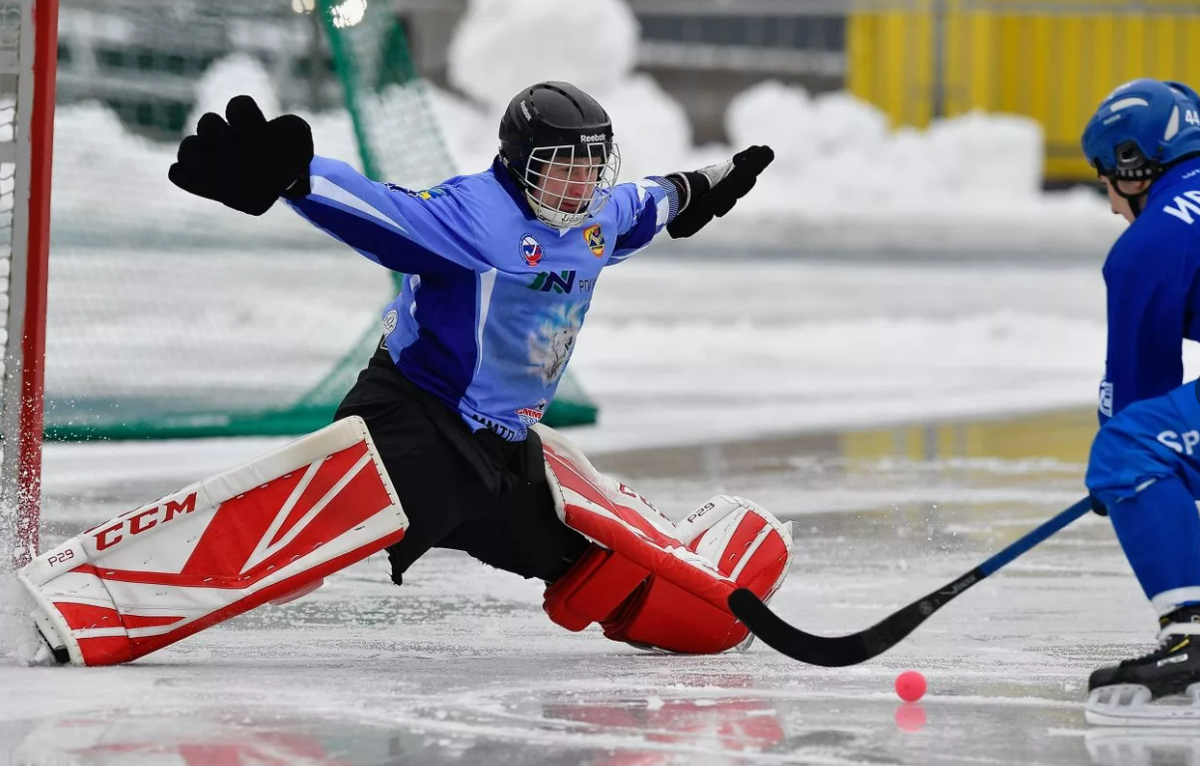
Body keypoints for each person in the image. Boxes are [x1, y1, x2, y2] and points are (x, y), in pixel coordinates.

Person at [18, 80, 791, 666]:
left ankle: (711, 606)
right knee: (288, 542)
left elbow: (655, 202)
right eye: (563, 166)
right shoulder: (475, 218)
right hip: (417, 423)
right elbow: (381, 210)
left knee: (597, 566)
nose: (581, 182)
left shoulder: (596, 218)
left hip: (506, 452)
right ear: (523, 165)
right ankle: (87, 602)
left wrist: (710, 183)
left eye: (594, 163)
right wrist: (294, 178)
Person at [1078, 78, 1200, 724]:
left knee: (1131, 450)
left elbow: (1137, 397)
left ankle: (1192, 637)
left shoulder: (1148, 244)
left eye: (1107, 179)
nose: (1111, 202)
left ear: (1133, 163)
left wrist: (1120, 483)